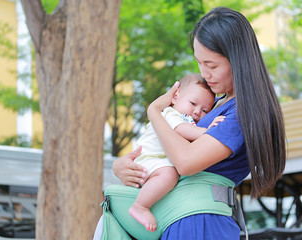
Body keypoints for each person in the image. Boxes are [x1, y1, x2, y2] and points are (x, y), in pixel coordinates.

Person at [112, 6, 286, 240]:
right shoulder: (216, 103)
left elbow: (185, 162)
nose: (204, 73)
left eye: (212, 65)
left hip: (201, 222)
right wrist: (127, 167)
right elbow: (168, 148)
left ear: (238, 59)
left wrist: (154, 111)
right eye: (199, 63)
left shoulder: (243, 111)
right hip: (182, 218)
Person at [129, 73, 224, 232]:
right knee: (169, 175)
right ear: (175, 97)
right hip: (149, 158)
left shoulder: (189, 121)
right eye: (193, 103)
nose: (197, 111)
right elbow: (181, 129)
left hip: (157, 161)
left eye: (205, 110)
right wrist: (207, 131)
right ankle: (140, 206)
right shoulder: (170, 114)